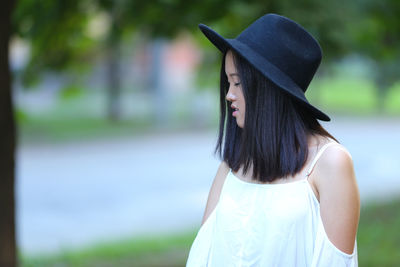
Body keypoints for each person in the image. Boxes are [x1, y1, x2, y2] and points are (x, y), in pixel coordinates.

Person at [186, 14, 360, 266]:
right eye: (228, 82)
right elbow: (202, 256)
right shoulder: (232, 165)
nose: (229, 95)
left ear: (268, 87)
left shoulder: (330, 163)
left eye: (237, 83)